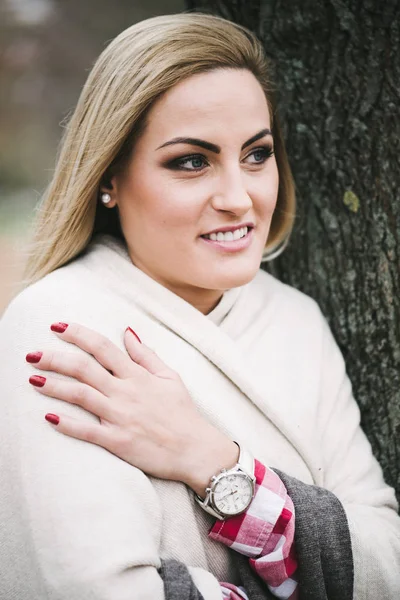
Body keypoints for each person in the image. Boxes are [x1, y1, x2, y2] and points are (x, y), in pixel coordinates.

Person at [0, 12, 399, 600]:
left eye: (257, 154)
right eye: (192, 161)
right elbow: (94, 588)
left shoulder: (294, 318)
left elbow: (387, 561)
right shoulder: (61, 327)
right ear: (109, 173)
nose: (240, 198)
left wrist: (212, 462)